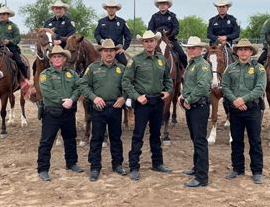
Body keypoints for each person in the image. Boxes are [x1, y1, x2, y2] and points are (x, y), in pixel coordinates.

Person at [122, 30, 173, 181]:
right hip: (143, 103)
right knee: (138, 135)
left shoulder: (161, 60)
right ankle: (134, 167)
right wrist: (137, 96)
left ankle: (157, 163)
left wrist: (168, 91)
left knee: (156, 134)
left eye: (152, 41)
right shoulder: (135, 61)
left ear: (156, 42)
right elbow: (126, 81)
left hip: (157, 101)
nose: (149, 43)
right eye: (146, 41)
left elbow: (167, 79)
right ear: (142, 43)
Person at [80, 39, 127, 181]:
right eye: (106, 50)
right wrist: (94, 98)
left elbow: (128, 85)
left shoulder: (122, 69)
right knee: (96, 138)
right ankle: (95, 167)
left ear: (115, 52)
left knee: (116, 138)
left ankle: (117, 164)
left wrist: (124, 97)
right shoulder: (93, 68)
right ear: (101, 52)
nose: (109, 53)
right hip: (98, 108)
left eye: (112, 50)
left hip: (115, 107)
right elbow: (83, 85)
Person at [221, 38, 266, 184]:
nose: (243, 52)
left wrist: (243, 99)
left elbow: (260, 88)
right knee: (236, 140)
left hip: (252, 109)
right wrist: (235, 100)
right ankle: (237, 168)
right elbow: (225, 86)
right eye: (240, 49)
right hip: (235, 110)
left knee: (255, 140)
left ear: (251, 51)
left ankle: (257, 171)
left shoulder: (259, 68)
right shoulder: (230, 68)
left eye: (246, 49)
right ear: (237, 52)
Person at [37, 45, 84, 181]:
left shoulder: (72, 74)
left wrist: (72, 99)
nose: (57, 59)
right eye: (54, 57)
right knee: (46, 141)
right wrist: (62, 100)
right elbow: (46, 91)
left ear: (64, 59)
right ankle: (43, 169)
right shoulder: (45, 75)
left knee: (70, 139)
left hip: (68, 112)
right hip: (52, 113)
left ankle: (71, 163)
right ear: (51, 60)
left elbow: (79, 87)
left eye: (59, 56)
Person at [177, 36, 212, 187]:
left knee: (200, 141)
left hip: (198, 106)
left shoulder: (202, 65)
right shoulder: (192, 64)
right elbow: (190, 85)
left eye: (193, 48)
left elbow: (202, 86)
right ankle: (197, 167)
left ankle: (202, 177)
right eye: (188, 48)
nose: (189, 50)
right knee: (195, 138)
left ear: (200, 49)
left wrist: (188, 100)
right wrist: (183, 95)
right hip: (192, 106)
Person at [0, 6, 31, 88]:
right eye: (1, 14)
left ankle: (25, 79)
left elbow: (18, 38)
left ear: (8, 15)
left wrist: (9, 41)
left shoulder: (13, 26)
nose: (2, 15)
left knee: (19, 62)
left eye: (4, 14)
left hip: (11, 48)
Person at [148, 0, 187, 68]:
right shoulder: (154, 17)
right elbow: (150, 29)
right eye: (160, 5)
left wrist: (171, 35)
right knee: (145, 55)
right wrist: (154, 36)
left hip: (170, 39)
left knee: (182, 54)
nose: (162, 6)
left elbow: (176, 28)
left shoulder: (172, 16)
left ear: (168, 6)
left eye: (164, 4)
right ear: (158, 6)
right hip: (157, 40)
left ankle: (185, 72)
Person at [94, 0, 132, 65]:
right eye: (109, 8)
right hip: (104, 49)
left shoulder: (122, 22)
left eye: (113, 8)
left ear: (116, 9)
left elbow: (128, 36)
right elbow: (96, 34)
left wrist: (124, 48)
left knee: (125, 64)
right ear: (106, 9)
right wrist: (100, 40)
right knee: (94, 64)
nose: (111, 9)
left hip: (116, 50)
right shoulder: (101, 22)